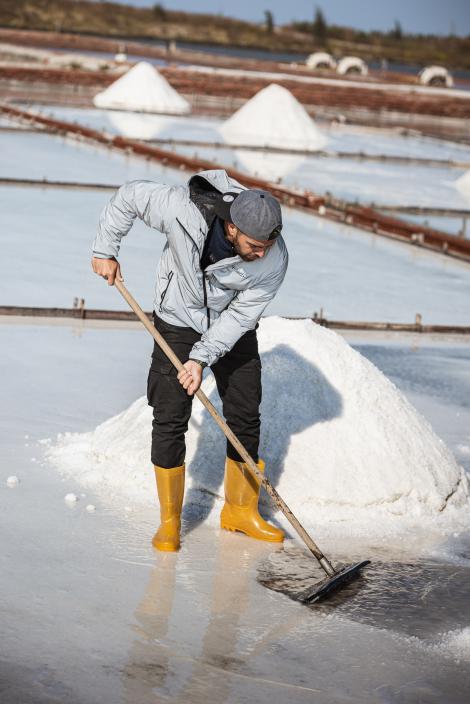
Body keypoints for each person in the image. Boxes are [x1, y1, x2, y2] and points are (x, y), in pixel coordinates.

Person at [91, 169, 288, 552]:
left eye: (267, 244)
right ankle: (170, 521)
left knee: (245, 412)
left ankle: (240, 511)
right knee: (169, 415)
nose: (261, 252)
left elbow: (240, 317)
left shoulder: (273, 259)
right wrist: (105, 249)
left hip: (232, 326)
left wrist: (200, 358)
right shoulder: (180, 210)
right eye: (254, 244)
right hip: (178, 317)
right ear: (231, 228)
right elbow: (130, 194)